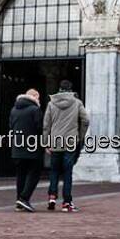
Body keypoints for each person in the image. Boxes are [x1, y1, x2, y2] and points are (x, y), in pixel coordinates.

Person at [42, 80, 89, 212]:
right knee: (67, 172)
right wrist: (80, 136)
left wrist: (46, 142)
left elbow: (46, 125)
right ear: (70, 89)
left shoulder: (51, 103)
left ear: (59, 89)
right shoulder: (77, 103)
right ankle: (67, 202)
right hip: (70, 142)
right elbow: (85, 120)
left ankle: (52, 197)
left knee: (54, 171)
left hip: (55, 141)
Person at [9, 89, 43, 212]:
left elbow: (11, 126)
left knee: (21, 175)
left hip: (17, 147)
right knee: (34, 174)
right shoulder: (35, 110)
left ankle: (19, 201)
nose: (39, 100)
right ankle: (24, 198)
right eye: (38, 97)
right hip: (32, 147)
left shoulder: (14, 110)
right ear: (33, 97)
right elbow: (40, 129)